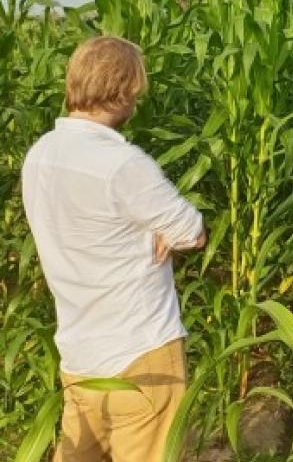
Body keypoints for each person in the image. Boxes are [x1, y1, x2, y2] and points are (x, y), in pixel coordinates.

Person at [22, 37, 207, 462]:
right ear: (123, 92)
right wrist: (164, 232)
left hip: (78, 358)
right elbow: (193, 233)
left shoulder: (40, 157)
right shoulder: (124, 165)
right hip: (141, 358)